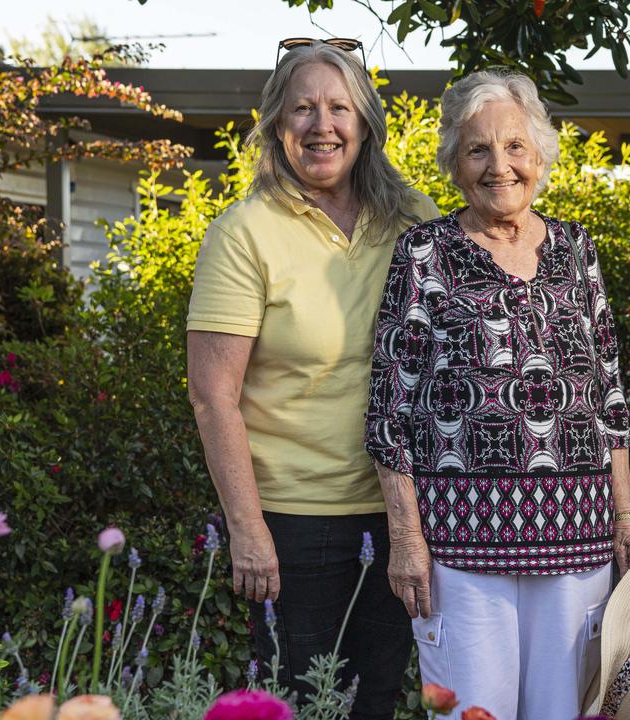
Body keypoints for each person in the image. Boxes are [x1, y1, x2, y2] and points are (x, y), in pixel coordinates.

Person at [364, 69, 630, 719]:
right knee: (473, 714)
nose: (501, 166)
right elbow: (390, 410)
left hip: (578, 541)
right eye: (478, 149)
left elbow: (609, 395)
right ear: (454, 164)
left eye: (515, 146)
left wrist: (626, 520)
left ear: (540, 154)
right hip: (463, 550)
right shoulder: (424, 253)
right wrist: (406, 537)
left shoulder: (577, 248)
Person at [186, 39, 440, 719]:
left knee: (378, 700)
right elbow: (213, 396)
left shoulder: (414, 221)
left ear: (366, 124)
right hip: (295, 525)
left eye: (338, 107)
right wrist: (246, 527)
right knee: (297, 704)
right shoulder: (245, 234)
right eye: (301, 108)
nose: (321, 124)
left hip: (404, 515)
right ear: (275, 124)